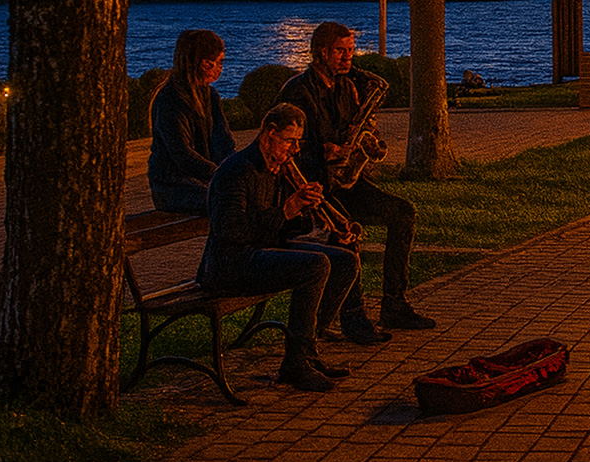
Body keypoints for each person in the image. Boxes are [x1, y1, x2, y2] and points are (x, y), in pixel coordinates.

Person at [278, 22, 436, 335]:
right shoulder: (298, 90)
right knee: (346, 228)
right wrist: (324, 151)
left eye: (351, 51)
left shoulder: (346, 86)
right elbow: (285, 147)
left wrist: (365, 138)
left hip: (345, 180)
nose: (348, 58)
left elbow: (354, 129)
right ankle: (353, 317)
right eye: (341, 51)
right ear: (322, 52)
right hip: (312, 184)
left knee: (403, 213)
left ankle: (394, 304)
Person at [197, 103, 360, 393]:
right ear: (269, 134)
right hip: (229, 263)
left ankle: (307, 350)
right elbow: (230, 231)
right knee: (315, 265)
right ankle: (296, 363)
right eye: (289, 140)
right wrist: (287, 210)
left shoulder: (279, 169)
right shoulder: (238, 171)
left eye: (299, 142)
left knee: (344, 260)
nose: (295, 149)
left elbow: (283, 227)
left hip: (261, 251)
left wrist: (307, 212)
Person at [147, 29, 236, 214]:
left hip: (204, 180)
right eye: (218, 62)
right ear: (205, 63)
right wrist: (218, 175)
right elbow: (182, 154)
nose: (220, 68)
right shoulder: (169, 100)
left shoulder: (210, 96)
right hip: (172, 186)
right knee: (227, 202)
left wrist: (236, 168)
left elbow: (223, 143)